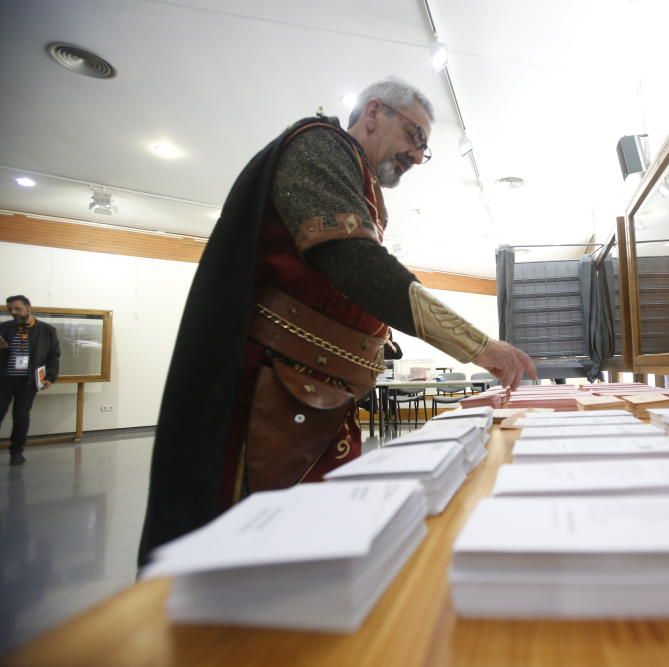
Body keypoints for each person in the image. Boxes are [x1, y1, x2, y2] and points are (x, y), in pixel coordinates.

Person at [139, 78, 536, 565]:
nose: (416, 155)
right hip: (275, 391)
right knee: (264, 544)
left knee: (306, 543)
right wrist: (480, 346)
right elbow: (355, 265)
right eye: (415, 135)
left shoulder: (355, 174)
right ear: (373, 112)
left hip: (315, 392)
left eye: (424, 148)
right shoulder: (319, 145)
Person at [1, 295, 60, 466]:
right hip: (3, 380)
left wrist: (50, 377)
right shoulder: (4, 328)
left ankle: (16, 452)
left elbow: (53, 356)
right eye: (10, 309)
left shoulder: (46, 330)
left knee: (20, 417)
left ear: (28, 308)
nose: (13, 312)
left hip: (27, 382)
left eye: (17, 308)